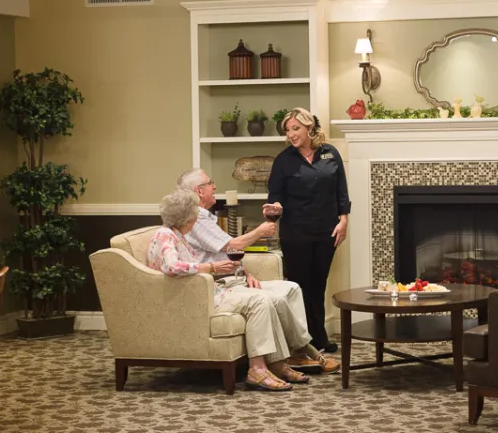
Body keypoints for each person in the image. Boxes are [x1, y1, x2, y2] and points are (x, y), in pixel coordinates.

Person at [147, 189, 337, 392]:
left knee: (275, 299)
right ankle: (258, 369)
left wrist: (227, 269)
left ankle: (279, 362)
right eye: (194, 212)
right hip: (198, 297)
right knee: (260, 301)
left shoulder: (178, 236)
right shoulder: (165, 236)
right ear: (185, 217)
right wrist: (212, 268)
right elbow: (172, 267)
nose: (196, 216)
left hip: (208, 290)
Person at [262, 107, 351, 353]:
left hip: (327, 230)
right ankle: (302, 341)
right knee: (299, 285)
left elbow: (340, 190)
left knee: (319, 283)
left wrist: (344, 220)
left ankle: (319, 336)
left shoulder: (330, 154)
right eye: (288, 130)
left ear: (309, 128)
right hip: (296, 232)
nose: (291, 134)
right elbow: (276, 195)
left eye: (295, 128)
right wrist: (275, 206)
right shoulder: (283, 160)